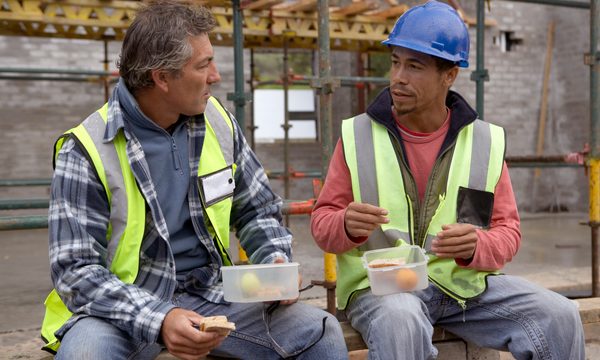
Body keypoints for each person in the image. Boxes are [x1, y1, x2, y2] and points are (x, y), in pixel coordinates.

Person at [41, 1, 348, 359]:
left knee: (318, 331)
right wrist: (160, 317)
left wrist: (273, 259)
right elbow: (76, 271)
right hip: (119, 311)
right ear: (162, 77)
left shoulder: (218, 121)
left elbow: (258, 210)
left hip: (209, 296)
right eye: (203, 65)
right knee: (85, 355)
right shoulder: (87, 148)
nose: (216, 76)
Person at [310, 1, 584, 359]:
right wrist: (344, 223)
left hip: (463, 290)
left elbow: (507, 232)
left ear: (449, 75)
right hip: (384, 291)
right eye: (395, 62)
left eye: (414, 66)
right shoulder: (358, 136)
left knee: (561, 316)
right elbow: (321, 223)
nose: (398, 77)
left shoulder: (483, 143)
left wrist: (476, 247)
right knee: (402, 321)